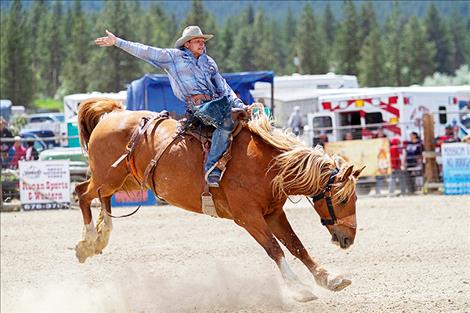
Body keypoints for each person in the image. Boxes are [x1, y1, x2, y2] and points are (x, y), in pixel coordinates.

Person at [95, 26, 248, 188]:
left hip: (217, 103)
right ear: (187, 44)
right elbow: (146, 51)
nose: (202, 44)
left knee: (243, 120)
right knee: (225, 122)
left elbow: (223, 86)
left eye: (203, 41)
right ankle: (211, 168)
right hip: (198, 107)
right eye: (197, 41)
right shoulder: (173, 57)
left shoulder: (209, 62)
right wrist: (117, 42)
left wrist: (240, 105)